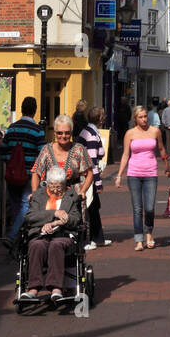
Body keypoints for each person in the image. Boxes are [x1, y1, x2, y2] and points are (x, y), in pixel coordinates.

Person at [19, 166, 83, 305]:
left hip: (63, 234)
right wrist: (53, 214)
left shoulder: (71, 196)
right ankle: (33, 288)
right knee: (36, 245)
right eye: (52, 186)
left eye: (58, 187)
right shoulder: (38, 195)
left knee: (56, 245)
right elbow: (30, 217)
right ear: (47, 184)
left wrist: (56, 223)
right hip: (40, 234)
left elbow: (75, 219)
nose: (55, 190)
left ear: (64, 185)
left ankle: (56, 289)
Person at [115, 105, 170, 250]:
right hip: (134, 173)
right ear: (135, 118)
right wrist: (119, 175)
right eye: (141, 117)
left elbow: (161, 149)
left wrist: (167, 165)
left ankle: (149, 233)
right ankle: (139, 239)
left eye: (145, 116)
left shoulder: (155, 131)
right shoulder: (130, 133)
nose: (144, 119)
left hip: (151, 173)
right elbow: (126, 154)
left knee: (149, 208)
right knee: (137, 208)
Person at [2, 97, 46, 248]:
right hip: (29, 175)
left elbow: (4, 151)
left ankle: (17, 238)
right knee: (25, 205)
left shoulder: (12, 128)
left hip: (12, 175)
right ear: (34, 111)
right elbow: (42, 154)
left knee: (15, 206)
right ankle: (13, 236)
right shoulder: (37, 130)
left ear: (21, 109)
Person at [32, 116, 93, 201]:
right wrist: (35, 194)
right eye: (60, 133)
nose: (63, 136)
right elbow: (36, 172)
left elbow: (89, 173)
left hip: (74, 198)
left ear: (71, 133)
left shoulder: (79, 149)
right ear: (55, 133)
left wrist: (83, 191)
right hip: (51, 198)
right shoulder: (46, 150)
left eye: (67, 133)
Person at [78, 106, 112, 249]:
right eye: (103, 116)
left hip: (86, 175)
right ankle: (86, 240)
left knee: (93, 207)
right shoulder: (91, 135)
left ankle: (97, 238)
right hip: (88, 177)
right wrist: (98, 183)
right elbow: (92, 162)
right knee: (88, 207)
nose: (104, 118)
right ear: (100, 118)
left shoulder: (88, 131)